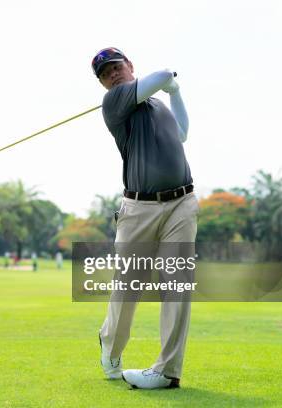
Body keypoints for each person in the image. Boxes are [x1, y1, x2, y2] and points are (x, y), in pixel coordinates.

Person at [92, 47, 199, 389]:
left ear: (129, 66)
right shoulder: (116, 102)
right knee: (128, 288)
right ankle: (110, 346)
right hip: (139, 209)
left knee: (177, 286)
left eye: (116, 67)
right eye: (105, 74)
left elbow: (182, 133)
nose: (112, 74)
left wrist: (176, 93)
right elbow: (161, 76)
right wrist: (169, 79)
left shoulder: (156, 104)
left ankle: (167, 370)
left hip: (182, 202)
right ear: (104, 84)